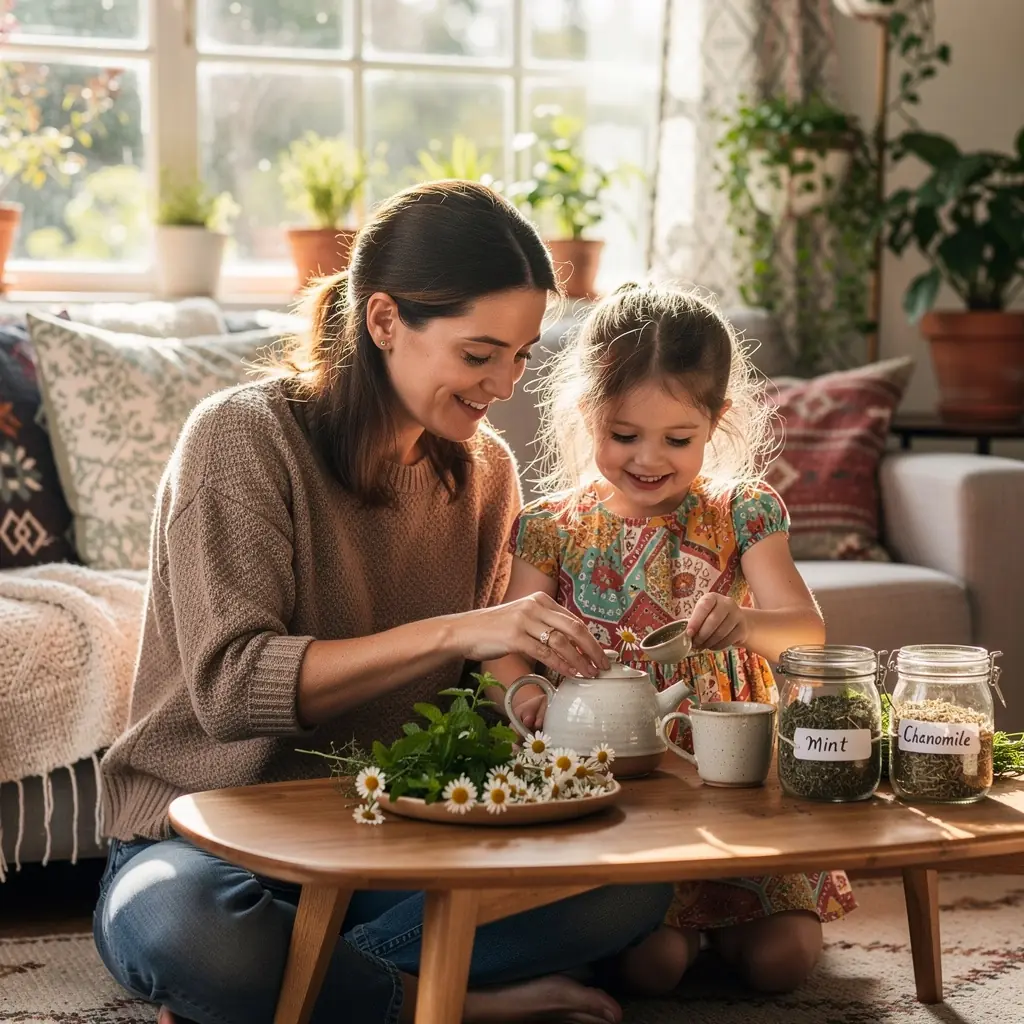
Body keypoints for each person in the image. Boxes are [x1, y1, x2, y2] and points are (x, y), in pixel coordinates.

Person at [92, 182, 674, 1024]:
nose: (503, 385)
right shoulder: (241, 438)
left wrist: (543, 699)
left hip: (388, 841)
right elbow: (230, 689)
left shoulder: (485, 474)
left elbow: (478, 687)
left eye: (520, 355)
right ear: (384, 322)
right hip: (203, 843)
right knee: (191, 932)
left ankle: (301, 992)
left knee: (627, 893)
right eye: (479, 355)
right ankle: (450, 1003)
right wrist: (459, 632)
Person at [483, 282, 856, 997]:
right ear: (587, 413)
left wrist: (744, 625)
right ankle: (675, 930)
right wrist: (521, 694)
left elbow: (808, 634)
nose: (648, 459)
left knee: (783, 963)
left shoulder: (743, 511)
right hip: (614, 775)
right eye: (623, 435)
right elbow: (506, 641)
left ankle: (729, 920)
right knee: (650, 967)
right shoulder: (550, 525)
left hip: (730, 779)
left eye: (677, 439)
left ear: (715, 421)